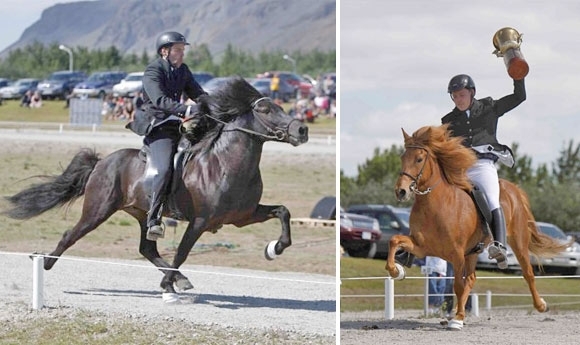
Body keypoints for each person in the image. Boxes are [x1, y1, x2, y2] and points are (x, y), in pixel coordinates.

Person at [126, 31, 207, 241]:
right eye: (178, 49)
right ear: (165, 51)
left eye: (183, 50)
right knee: (164, 168)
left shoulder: (183, 70)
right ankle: (154, 219)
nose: (182, 54)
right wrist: (187, 111)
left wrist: (214, 105)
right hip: (158, 126)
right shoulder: (153, 70)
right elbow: (160, 100)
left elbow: (197, 93)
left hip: (176, 125)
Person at [442, 73, 526, 269]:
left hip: (482, 166)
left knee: (491, 199)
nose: (457, 100)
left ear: (472, 93)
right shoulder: (448, 119)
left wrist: (518, 77)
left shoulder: (489, 107)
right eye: (454, 96)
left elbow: (519, 97)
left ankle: (500, 245)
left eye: (461, 95)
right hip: (461, 168)